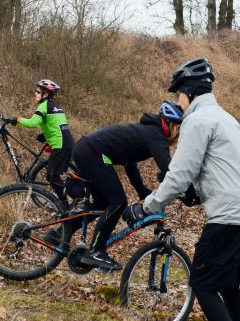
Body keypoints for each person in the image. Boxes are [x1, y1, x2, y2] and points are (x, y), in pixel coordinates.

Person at [123, 57, 240, 321]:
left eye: (178, 96)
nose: (177, 102)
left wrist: (147, 206)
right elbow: (222, 167)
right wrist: (196, 193)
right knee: (228, 287)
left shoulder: (197, 122)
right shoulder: (227, 119)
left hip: (228, 216)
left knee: (201, 282)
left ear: (188, 92)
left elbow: (177, 175)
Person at [69, 101, 185, 271]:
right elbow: (168, 168)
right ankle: (95, 251)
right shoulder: (155, 134)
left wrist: (142, 191)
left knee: (102, 203)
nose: (179, 135)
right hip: (92, 153)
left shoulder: (147, 132)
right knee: (118, 202)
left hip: (86, 149)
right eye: (179, 129)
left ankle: (59, 234)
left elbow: (130, 165)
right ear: (173, 125)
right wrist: (184, 186)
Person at [11, 79, 74, 201]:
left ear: (45, 94)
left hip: (61, 144)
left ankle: (65, 203)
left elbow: (32, 123)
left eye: (38, 92)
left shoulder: (44, 106)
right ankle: (65, 202)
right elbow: (58, 126)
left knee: (52, 177)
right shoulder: (56, 107)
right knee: (52, 176)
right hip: (64, 142)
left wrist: (17, 119)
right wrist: (47, 138)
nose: (35, 93)